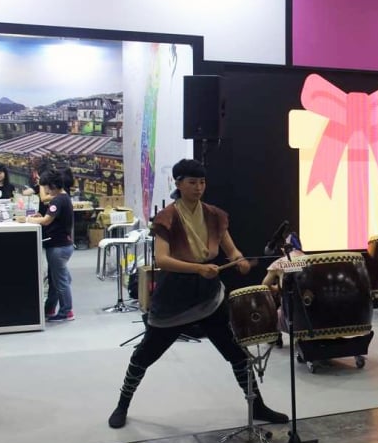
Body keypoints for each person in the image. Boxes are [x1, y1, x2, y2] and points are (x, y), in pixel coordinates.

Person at [107, 159, 288, 429]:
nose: (198, 187)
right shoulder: (167, 217)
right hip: (174, 296)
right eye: (192, 182)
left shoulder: (214, 215)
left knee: (236, 353)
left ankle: (257, 405)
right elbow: (162, 260)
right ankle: (122, 405)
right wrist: (197, 268)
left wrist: (239, 260)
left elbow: (230, 249)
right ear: (178, 184)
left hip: (209, 296)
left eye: (202, 182)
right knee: (146, 354)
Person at [23, 169, 75, 321]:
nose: (44, 190)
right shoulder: (63, 198)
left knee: (60, 280)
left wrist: (29, 220)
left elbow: (47, 220)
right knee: (56, 278)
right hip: (61, 244)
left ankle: (66, 311)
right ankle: (50, 308)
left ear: (52, 185)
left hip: (58, 246)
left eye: (45, 186)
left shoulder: (58, 200)